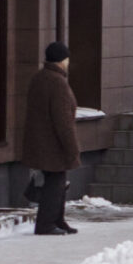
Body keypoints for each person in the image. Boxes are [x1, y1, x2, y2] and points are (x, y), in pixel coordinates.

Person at [22, 42, 81, 235]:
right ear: (63, 60)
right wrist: (72, 149)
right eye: (67, 58)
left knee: (56, 182)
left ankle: (57, 220)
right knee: (55, 184)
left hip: (40, 141)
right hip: (53, 144)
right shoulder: (57, 82)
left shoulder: (39, 78)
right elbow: (63, 121)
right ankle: (46, 224)